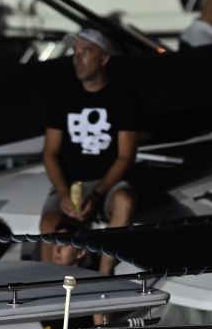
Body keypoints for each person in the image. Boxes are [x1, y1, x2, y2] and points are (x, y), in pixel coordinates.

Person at [39, 29, 139, 273]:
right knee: (48, 223)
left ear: (104, 58)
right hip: (71, 185)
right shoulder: (63, 95)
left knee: (124, 201)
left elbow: (126, 155)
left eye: (86, 52)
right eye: (75, 52)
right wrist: (63, 192)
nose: (77, 58)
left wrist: (97, 195)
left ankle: (104, 276)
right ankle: (46, 285)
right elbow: (49, 152)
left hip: (108, 184)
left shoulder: (123, 96)